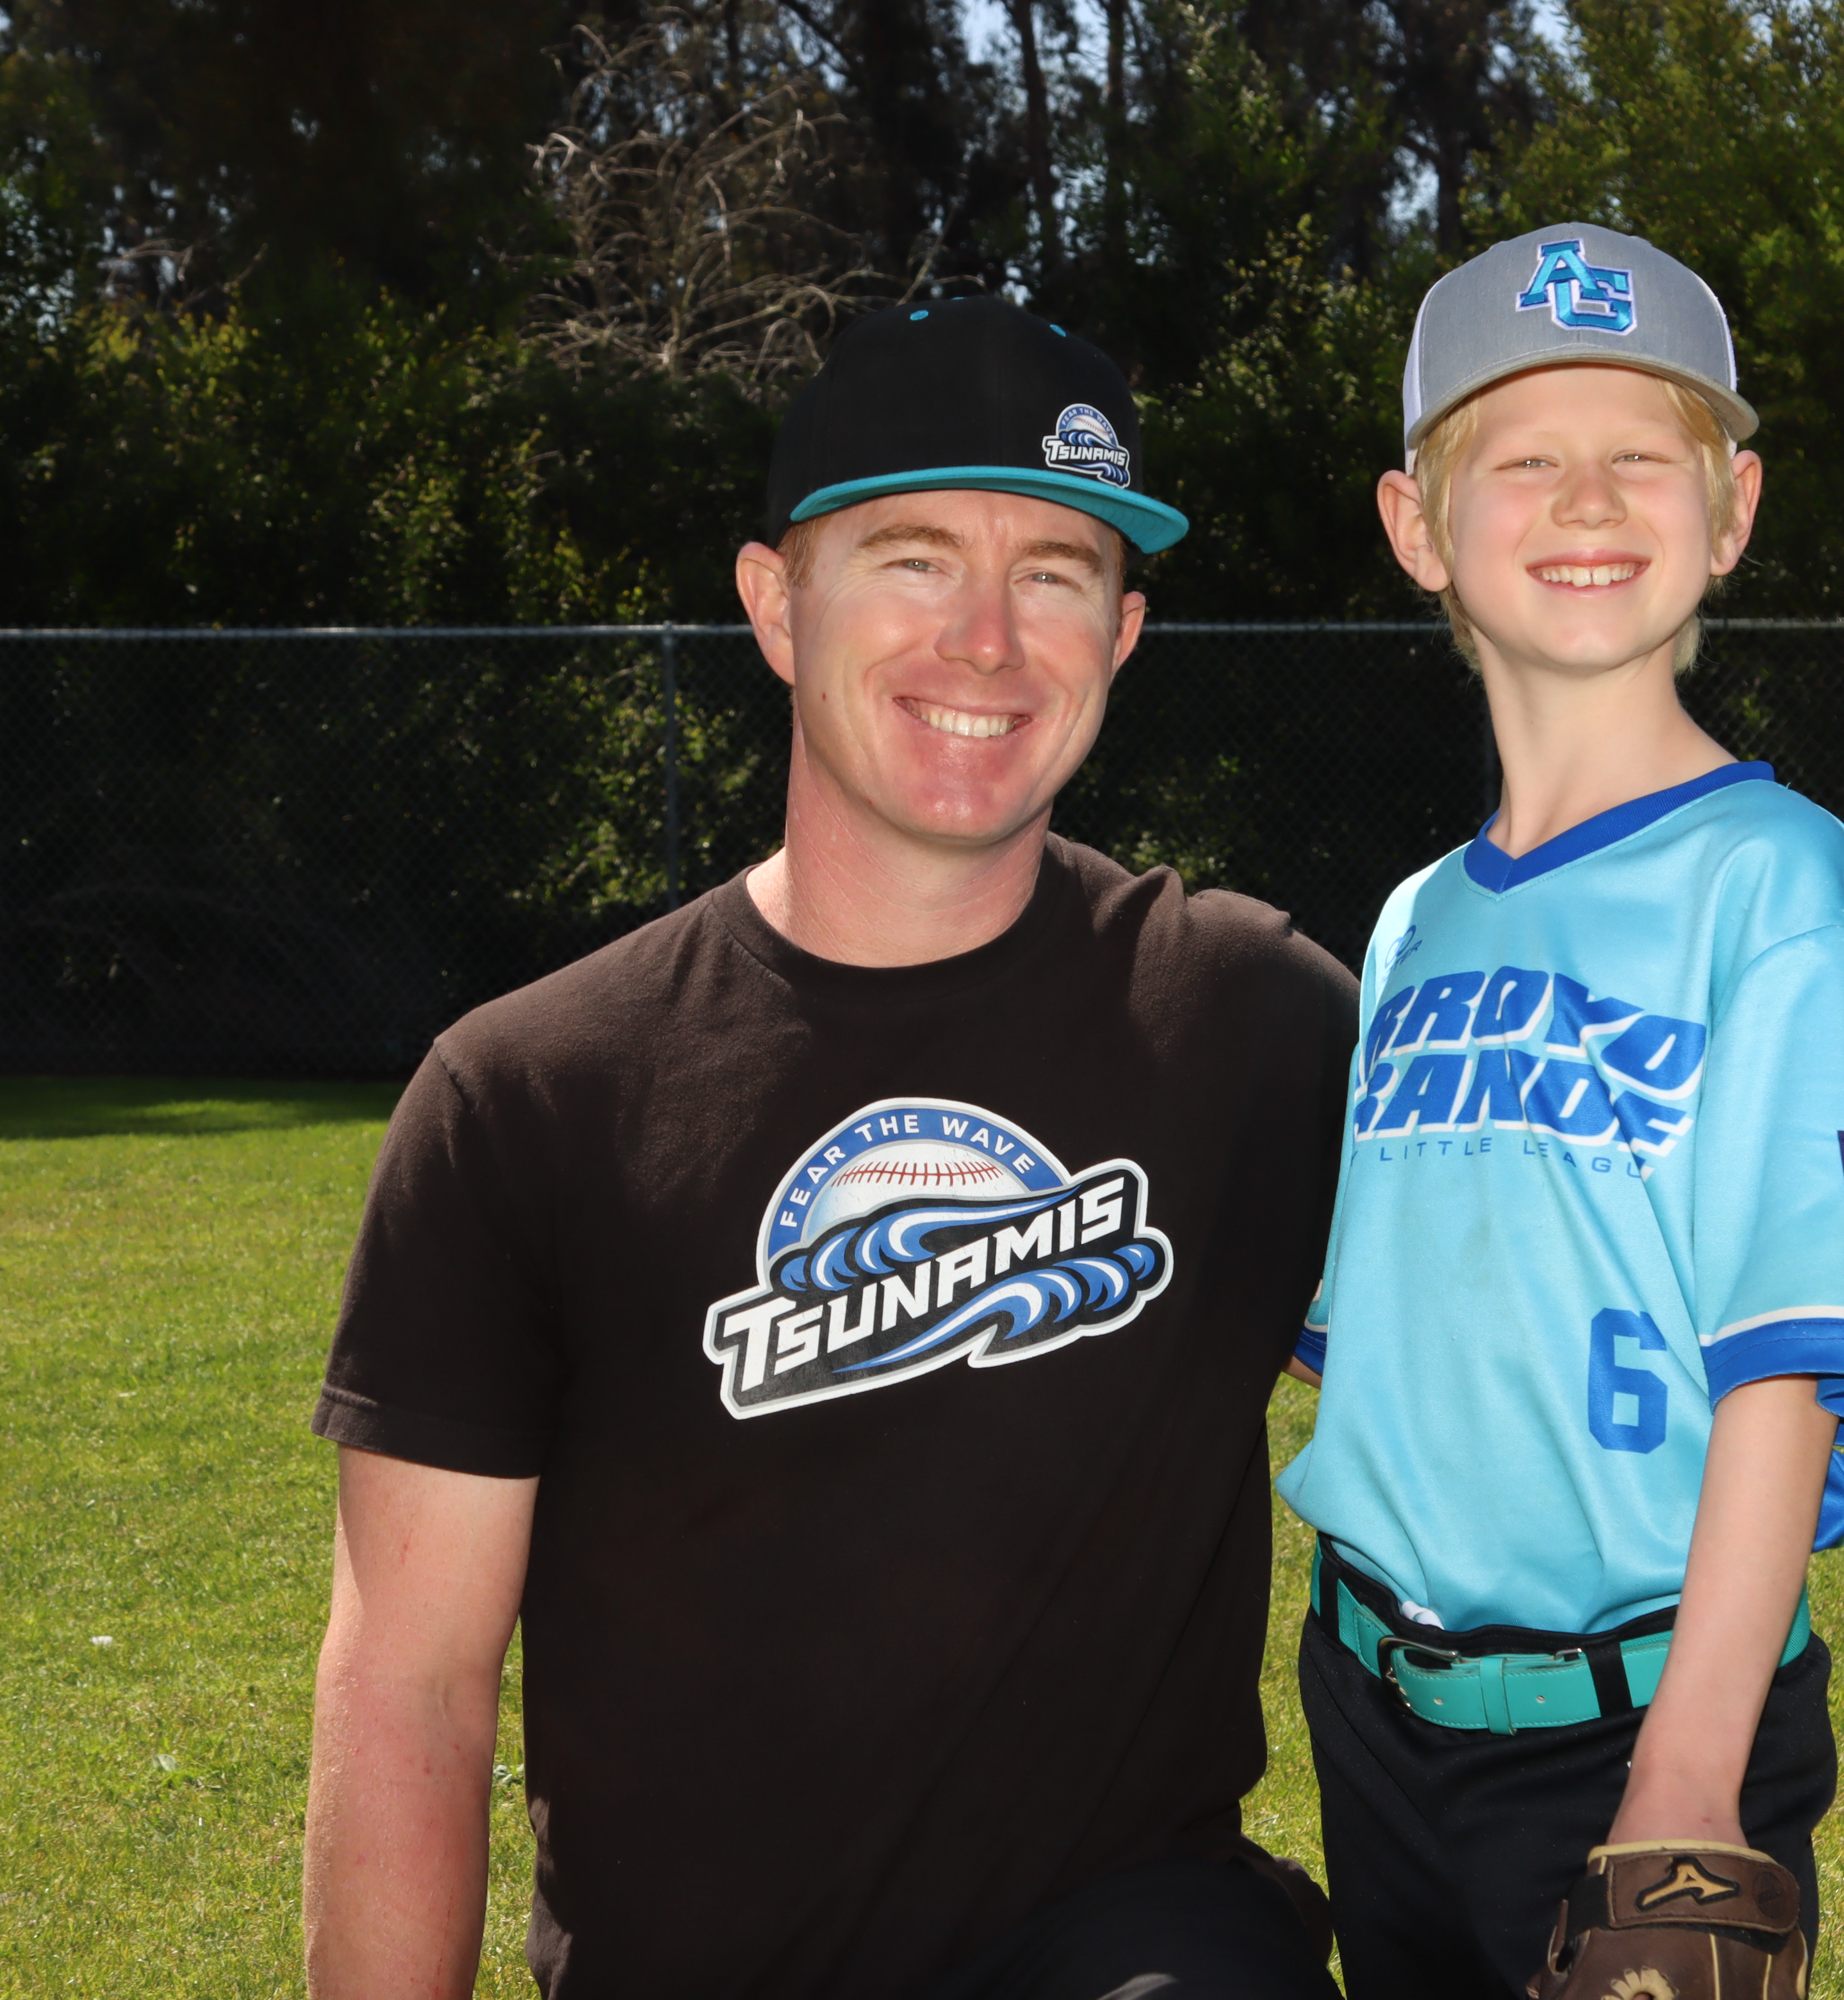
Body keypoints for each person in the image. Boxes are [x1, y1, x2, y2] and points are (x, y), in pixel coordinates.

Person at [300, 297, 1357, 1998]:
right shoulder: (528, 1095)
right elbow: (411, 1685)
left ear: (1124, 631)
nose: (988, 640)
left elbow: (1534, 1281)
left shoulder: (1252, 1020)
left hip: (1124, 1941)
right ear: (777, 604)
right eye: (914, 559)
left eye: (1055, 573)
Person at [1274, 224, 1844, 1998]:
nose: (1587, 500)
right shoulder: (1413, 921)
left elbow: (1784, 1373)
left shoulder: (1776, 878)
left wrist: (1687, 1779)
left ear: (1733, 510)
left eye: (1644, 453)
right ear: (1417, 527)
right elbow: (1391, 1346)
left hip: (1638, 1727)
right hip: (1374, 1707)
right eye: (1523, 458)